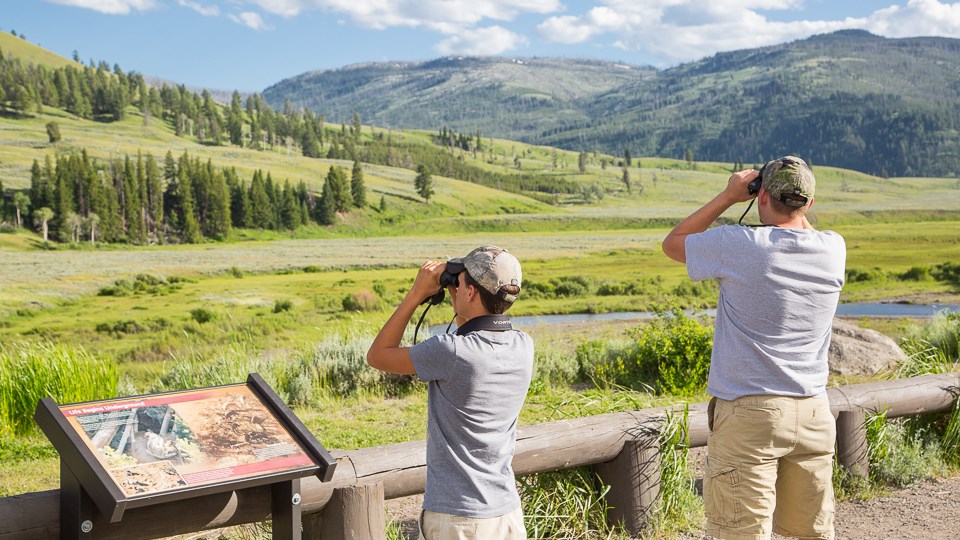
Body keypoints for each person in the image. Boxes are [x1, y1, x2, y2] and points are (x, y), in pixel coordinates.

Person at [661, 157, 846, 540]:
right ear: (808, 204)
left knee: (740, 532)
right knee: (811, 533)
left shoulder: (740, 244)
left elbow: (673, 243)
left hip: (750, 414)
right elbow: (800, 225)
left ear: (760, 195)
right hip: (813, 411)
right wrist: (792, 201)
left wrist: (729, 196)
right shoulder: (833, 248)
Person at [367, 245, 533, 540]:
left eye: (460, 283)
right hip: (507, 514)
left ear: (470, 293)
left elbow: (378, 355)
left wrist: (417, 293)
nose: (455, 289)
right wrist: (462, 311)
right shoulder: (523, 345)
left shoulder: (450, 351)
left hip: (459, 520)